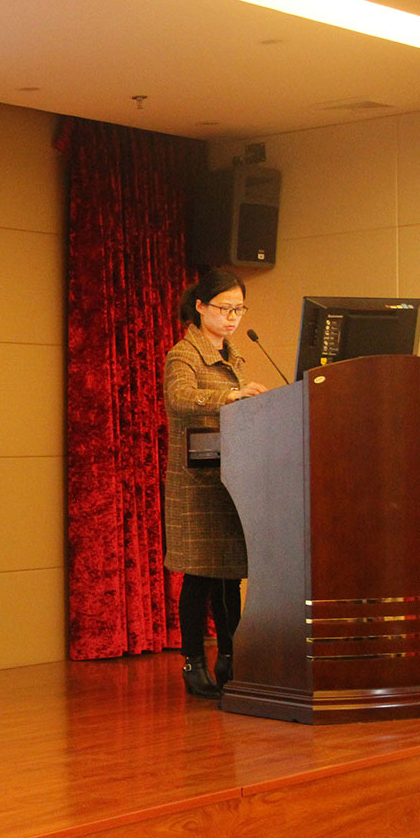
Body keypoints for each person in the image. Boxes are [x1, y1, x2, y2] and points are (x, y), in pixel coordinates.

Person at [163, 269, 267, 699]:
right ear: (201, 306)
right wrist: (228, 396)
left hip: (230, 477)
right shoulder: (183, 354)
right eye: (225, 308)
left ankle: (230, 657)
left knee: (230, 576)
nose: (233, 317)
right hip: (196, 483)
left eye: (239, 309)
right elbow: (179, 399)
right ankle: (193, 663)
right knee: (200, 575)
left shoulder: (234, 356)